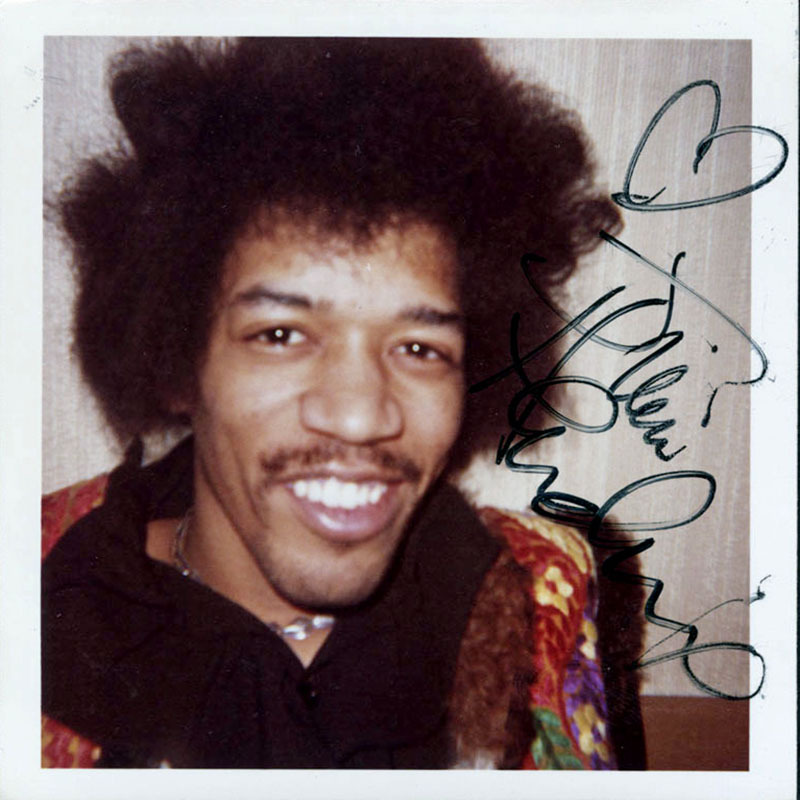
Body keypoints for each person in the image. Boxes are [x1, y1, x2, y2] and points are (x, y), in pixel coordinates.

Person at [41, 37, 621, 769]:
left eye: (419, 348)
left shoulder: (542, 591)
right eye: (281, 334)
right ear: (177, 364)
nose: (360, 416)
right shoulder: (41, 602)